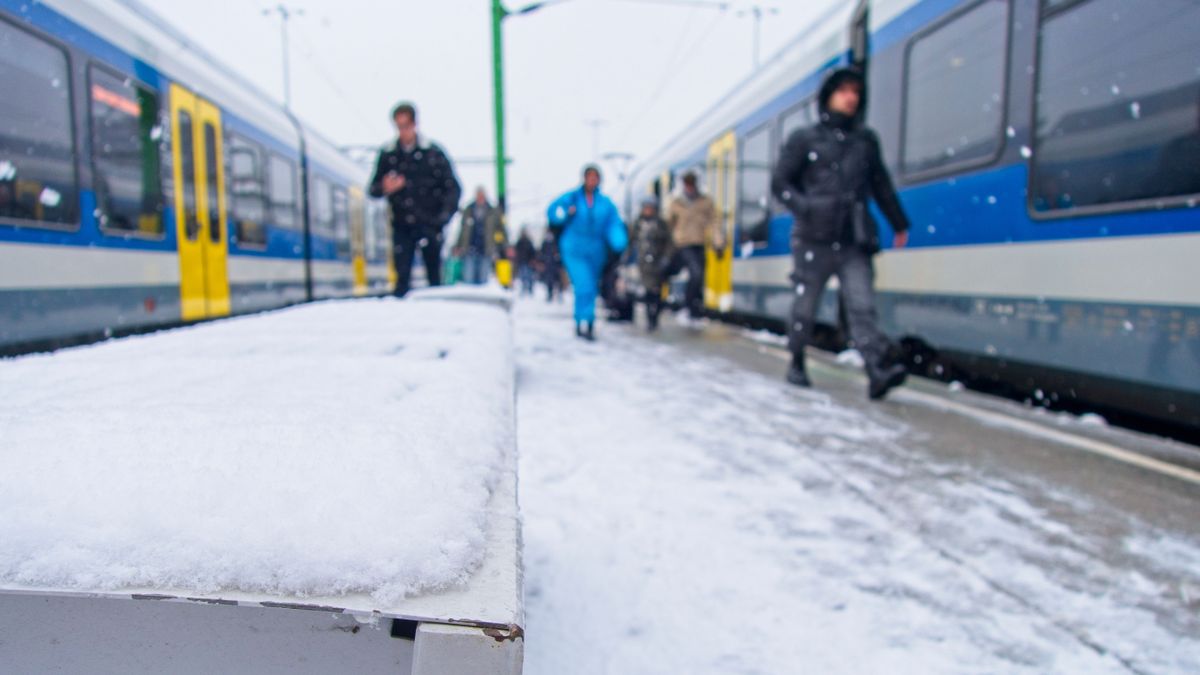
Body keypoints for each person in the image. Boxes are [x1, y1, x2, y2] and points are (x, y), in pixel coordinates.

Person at [771, 66, 911, 400]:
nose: (851, 97)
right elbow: (780, 183)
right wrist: (805, 207)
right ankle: (797, 361)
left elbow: (881, 185)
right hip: (812, 238)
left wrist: (899, 222)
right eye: (844, 91)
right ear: (829, 96)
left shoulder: (865, 141)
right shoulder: (804, 138)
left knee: (862, 306)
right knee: (806, 307)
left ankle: (876, 370)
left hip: (853, 237)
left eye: (855, 92)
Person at [368, 102, 462, 297]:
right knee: (401, 279)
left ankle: (437, 318)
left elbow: (453, 188)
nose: (403, 131)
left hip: (431, 225)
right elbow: (373, 189)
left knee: (434, 280)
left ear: (415, 124)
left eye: (406, 125)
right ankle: (402, 317)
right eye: (399, 126)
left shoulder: (433, 153)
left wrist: (442, 218)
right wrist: (385, 187)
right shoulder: (388, 154)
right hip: (402, 225)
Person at [546, 165, 628, 340]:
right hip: (574, 248)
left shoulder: (605, 203)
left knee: (591, 286)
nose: (592, 180)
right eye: (589, 177)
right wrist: (565, 216)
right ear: (584, 178)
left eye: (595, 177)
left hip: (596, 251)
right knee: (583, 285)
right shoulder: (573, 198)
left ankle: (587, 322)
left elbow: (613, 223)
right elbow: (553, 211)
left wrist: (618, 240)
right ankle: (582, 321)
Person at [664, 171, 723, 322]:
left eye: (692, 183)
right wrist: (667, 247)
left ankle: (695, 308)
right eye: (687, 183)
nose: (689, 186)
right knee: (695, 273)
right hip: (683, 245)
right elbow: (668, 226)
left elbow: (715, 223)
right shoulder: (676, 202)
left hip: (700, 244)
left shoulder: (706, 201)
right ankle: (689, 307)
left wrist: (718, 242)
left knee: (700, 276)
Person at [627, 195, 673, 331]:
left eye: (650, 208)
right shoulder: (637, 224)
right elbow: (630, 242)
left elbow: (669, 243)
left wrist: (666, 258)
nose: (648, 210)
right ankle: (650, 319)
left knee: (657, 291)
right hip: (644, 263)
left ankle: (655, 316)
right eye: (646, 208)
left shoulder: (661, 224)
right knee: (648, 290)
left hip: (658, 262)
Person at [454, 187, 506, 285]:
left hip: (486, 249)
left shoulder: (493, 211)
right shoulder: (469, 210)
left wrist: (503, 246)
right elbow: (462, 230)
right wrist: (458, 246)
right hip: (469, 248)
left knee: (483, 279)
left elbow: (501, 230)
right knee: (468, 278)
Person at [539, 230, 564, 303]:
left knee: (558, 280)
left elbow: (560, 252)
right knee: (549, 281)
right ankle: (550, 294)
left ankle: (560, 293)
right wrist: (542, 261)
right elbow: (541, 253)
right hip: (548, 265)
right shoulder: (545, 243)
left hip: (555, 265)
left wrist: (559, 260)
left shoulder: (556, 242)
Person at [514, 227, 537, 296]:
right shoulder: (519, 242)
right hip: (522, 262)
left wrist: (532, 260)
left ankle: (529, 289)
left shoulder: (528, 242)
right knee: (523, 276)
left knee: (528, 276)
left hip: (527, 262)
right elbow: (516, 252)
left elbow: (532, 252)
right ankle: (524, 288)